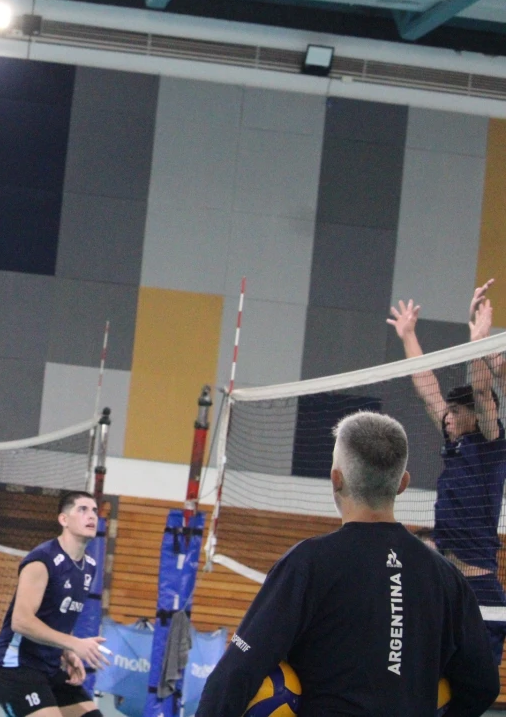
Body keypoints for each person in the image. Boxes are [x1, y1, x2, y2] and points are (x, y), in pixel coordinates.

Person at [197, 411, 499, 717]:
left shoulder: (309, 563)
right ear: (403, 483)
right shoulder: (446, 577)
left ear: (335, 478)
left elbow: (236, 673)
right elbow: (483, 685)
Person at [388, 282, 506, 662]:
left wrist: (479, 341)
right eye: (449, 412)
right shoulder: (453, 443)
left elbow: (484, 391)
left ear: (473, 415)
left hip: (481, 588)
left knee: (478, 682)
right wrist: (408, 335)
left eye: (456, 412)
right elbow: (426, 386)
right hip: (447, 580)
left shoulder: (491, 442)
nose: (448, 417)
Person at [0, 491, 110, 717]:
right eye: (82, 510)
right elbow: (21, 622)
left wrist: (65, 652)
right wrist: (73, 643)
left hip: (49, 668)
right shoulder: (42, 560)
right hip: (15, 666)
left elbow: (56, 617)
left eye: (94, 511)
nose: (91, 516)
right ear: (64, 520)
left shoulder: (89, 566)